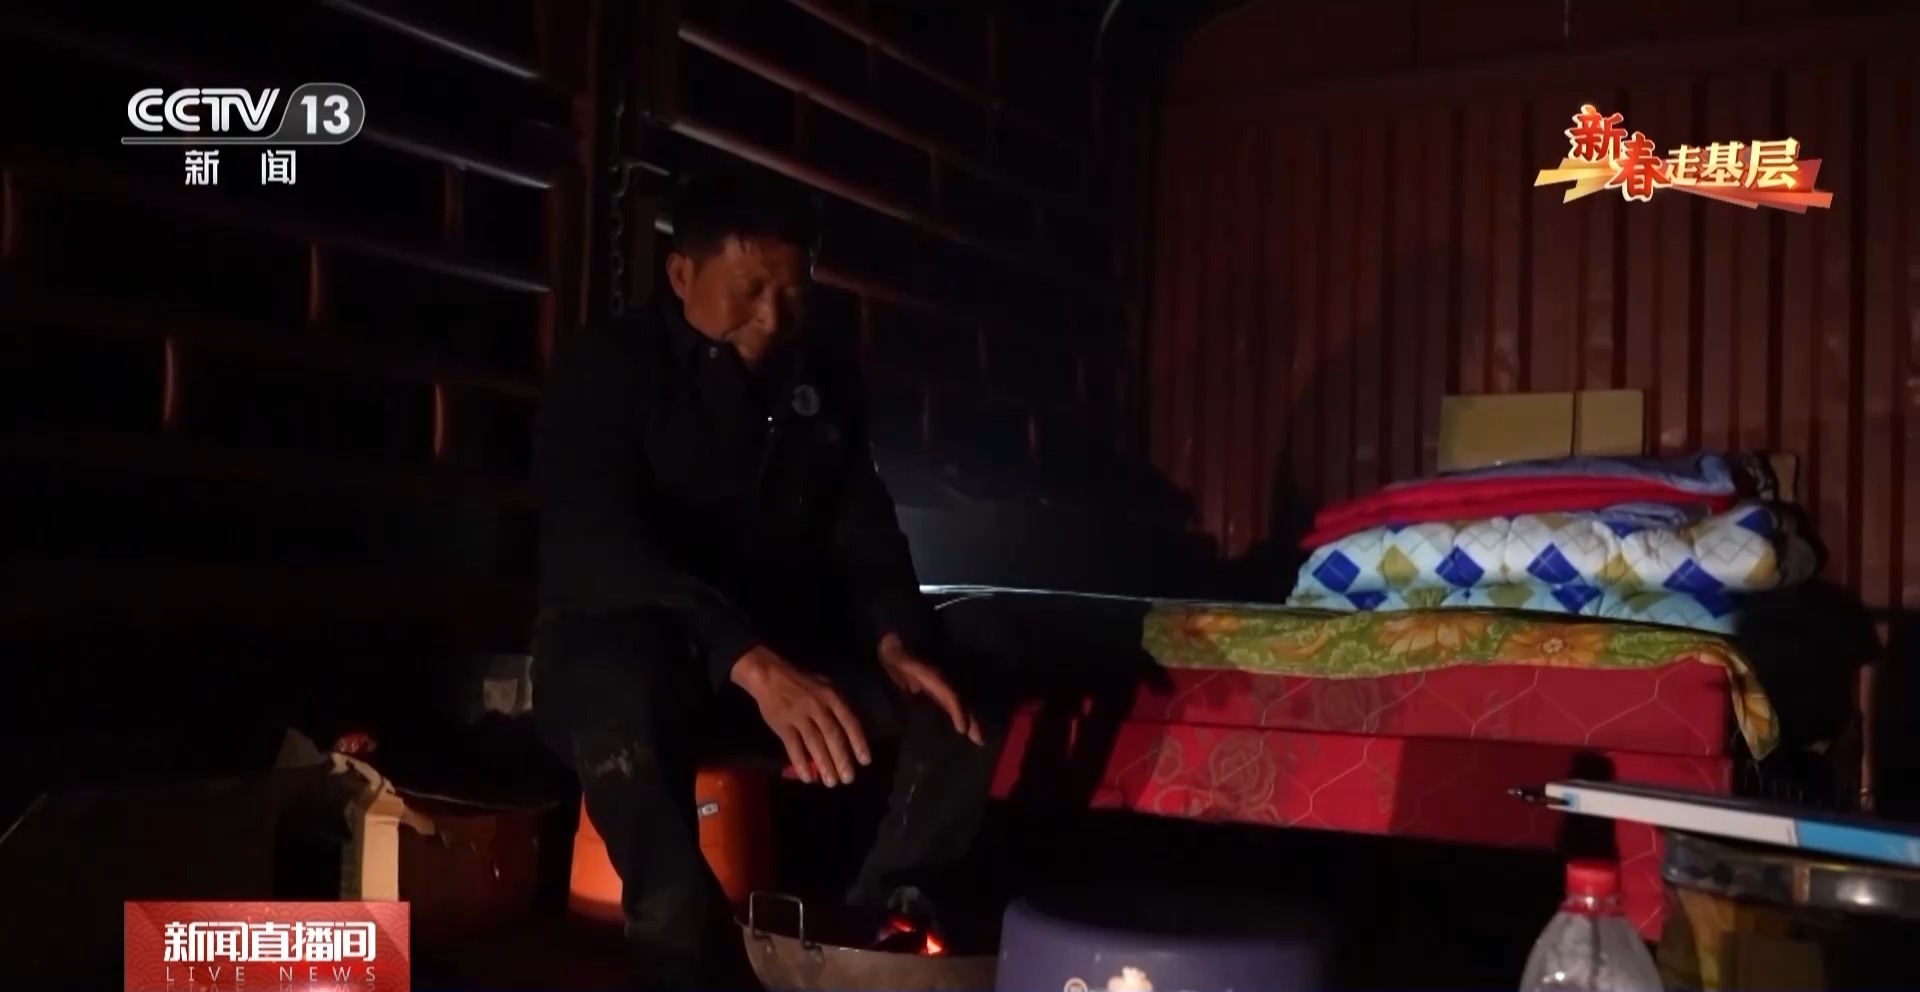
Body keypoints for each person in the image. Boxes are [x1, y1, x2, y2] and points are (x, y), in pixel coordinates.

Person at [531, 171, 1007, 988]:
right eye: (751, 290)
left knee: (977, 651)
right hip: (656, 664)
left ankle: (874, 927)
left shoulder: (819, 378)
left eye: (793, 293)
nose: (773, 318)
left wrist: (894, 636)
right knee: (614, 669)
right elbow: (598, 552)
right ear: (681, 273)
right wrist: (746, 659)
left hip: (790, 669)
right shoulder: (604, 368)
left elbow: (863, 529)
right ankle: (685, 952)